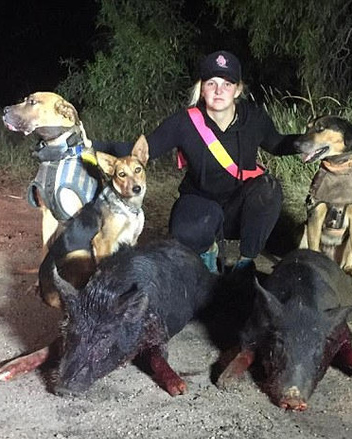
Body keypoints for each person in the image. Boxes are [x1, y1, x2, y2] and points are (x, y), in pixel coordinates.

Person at [93, 50, 300, 273]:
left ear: (238, 89)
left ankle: (245, 263)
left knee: (268, 189)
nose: (219, 90)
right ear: (202, 89)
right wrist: (87, 145)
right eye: (211, 83)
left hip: (239, 208)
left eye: (227, 83)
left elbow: (278, 144)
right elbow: (143, 149)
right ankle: (206, 252)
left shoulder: (254, 118)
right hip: (201, 202)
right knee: (184, 232)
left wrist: (312, 141)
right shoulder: (185, 122)